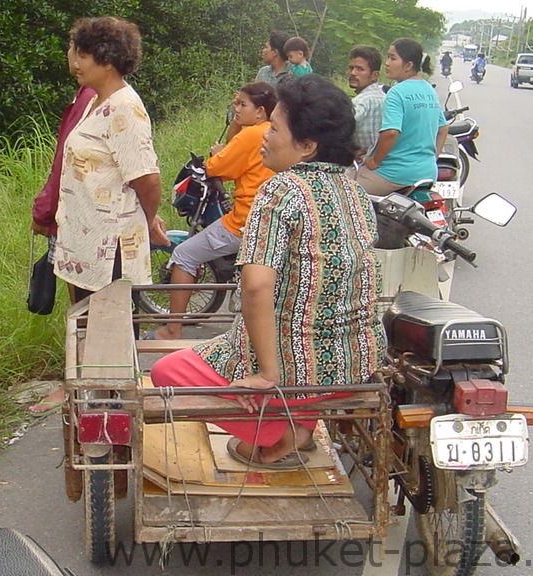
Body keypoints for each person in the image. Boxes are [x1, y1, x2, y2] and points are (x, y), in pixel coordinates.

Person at [150, 74, 385, 470]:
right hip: (356, 361)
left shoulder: (281, 189)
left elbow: (256, 285)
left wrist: (267, 373)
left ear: (307, 146)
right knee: (246, 346)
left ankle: (278, 435)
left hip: (296, 368)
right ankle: (300, 423)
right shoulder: (356, 191)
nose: (264, 136)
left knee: (166, 370)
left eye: (274, 128)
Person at [145, 82, 277, 341]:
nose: (235, 109)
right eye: (235, 103)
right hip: (267, 219)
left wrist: (218, 152)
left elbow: (216, 167)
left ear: (260, 111)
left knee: (184, 254)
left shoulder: (251, 135)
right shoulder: (273, 132)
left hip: (244, 221)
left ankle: (173, 329)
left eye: (242, 104)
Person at [53, 16, 168, 303]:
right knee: (89, 332)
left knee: (110, 338)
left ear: (108, 61)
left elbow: (147, 179)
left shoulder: (124, 109)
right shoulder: (96, 101)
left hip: (111, 252)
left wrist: (148, 220)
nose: (75, 63)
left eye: (83, 55)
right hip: (87, 244)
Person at [27, 44, 97, 414]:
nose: (71, 58)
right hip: (92, 224)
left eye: (73, 49)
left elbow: (63, 162)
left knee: (82, 308)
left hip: (84, 225)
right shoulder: (102, 98)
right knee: (92, 309)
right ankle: (83, 384)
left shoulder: (91, 98)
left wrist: (44, 210)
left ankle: (76, 387)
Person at [354, 38, 448, 197]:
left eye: (392, 58)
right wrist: (432, 159)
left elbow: (391, 132)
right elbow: (443, 129)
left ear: (409, 65)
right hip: (428, 173)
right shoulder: (429, 90)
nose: (387, 63)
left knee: (344, 191)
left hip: (394, 175)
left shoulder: (397, 92)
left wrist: (375, 161)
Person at [347, 45, 385, 161]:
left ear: (374, 75)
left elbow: (339, 127)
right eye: (351, 68)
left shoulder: (361, 102)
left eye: (360, 69)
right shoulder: (386, 98)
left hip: (362, 165)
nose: (353, 73)